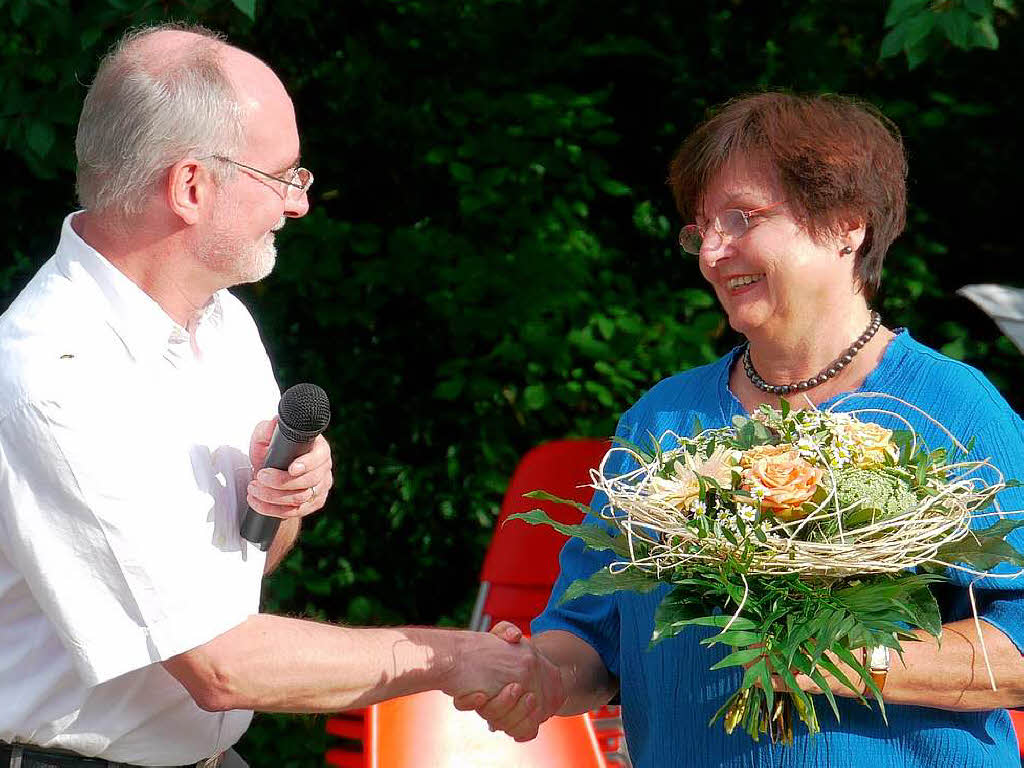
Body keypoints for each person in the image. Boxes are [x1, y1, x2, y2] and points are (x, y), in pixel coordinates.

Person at [0, 25, 561, 768]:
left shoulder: (221, 323)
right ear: (191, 186)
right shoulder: (52, 377)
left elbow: (246, 567)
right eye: (282, 176)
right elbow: (221, 666)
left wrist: (284, 504)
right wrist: (449, 657)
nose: (298, 204)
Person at [464, 93, 1024, 766]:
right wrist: (538, 675)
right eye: (700, 228)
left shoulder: (951, 409)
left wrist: (855, 659)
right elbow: (592, 632)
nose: (711, 252)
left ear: (847, 224)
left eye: (743, 218)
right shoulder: (662, 421)